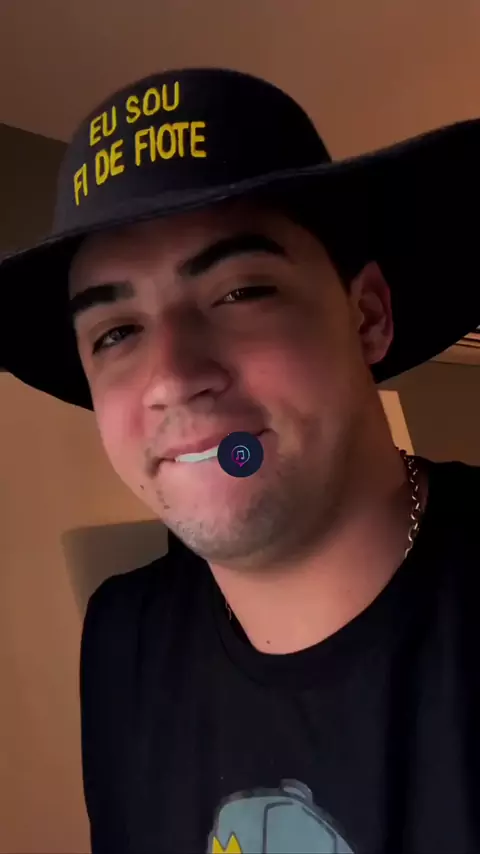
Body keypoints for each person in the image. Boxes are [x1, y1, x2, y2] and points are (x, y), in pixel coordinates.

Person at [1, 67, 480, 854]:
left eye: (239, 292)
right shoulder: (121, 642)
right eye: (115, 333)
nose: (172, 378)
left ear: (367, 316)